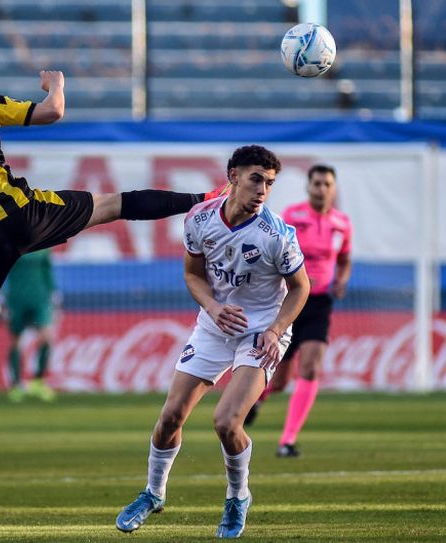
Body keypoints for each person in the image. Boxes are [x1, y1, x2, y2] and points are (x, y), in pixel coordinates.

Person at [0, 42, 222, 486]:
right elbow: (51, 113)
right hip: (21, 217)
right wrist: (57, 84)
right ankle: (207, 200)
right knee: (113, 204)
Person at [115, 145, 310, 538]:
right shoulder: (199, 219)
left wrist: (274, 330)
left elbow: (301, 287)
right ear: (233, 176)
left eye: (270, 184)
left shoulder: (277, 235)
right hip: (214, 325)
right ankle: (154, 493)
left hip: (260, 331)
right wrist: (213, 307)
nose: (263, 191)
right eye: (256, 179)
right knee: (170, 416)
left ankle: (238, 497)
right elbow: (192, 274)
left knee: (226, 421)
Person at [243, 164, 352, 459]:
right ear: (308, 187)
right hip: (291, 301)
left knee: (312, 366)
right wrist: (298, 277)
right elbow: (275, 254)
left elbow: (344, 258)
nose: (321, 189)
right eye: (317, 183)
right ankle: (256, 400)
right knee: (278, 380)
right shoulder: (292, 216)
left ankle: (287, 441)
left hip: (320, 304)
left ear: (334, 188)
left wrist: (341, 280)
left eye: (327, 184)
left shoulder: (342, 223)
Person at [0, 249, 58, 402]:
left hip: (40, 299)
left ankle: (38, 381)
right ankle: (16, 385)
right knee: (15, 341)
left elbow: (47, 272)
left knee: (47, 338)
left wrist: (54, 294)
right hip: (16, 299)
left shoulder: (45, 244)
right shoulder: (12, 243)